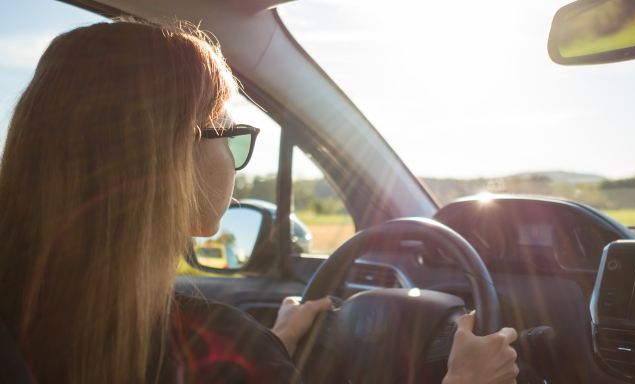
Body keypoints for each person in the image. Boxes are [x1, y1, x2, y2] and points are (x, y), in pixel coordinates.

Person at [0, 20, 518, 384]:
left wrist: (271, 345)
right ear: (172, 157)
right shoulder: (211, 344)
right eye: (228, 131)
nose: (234, 157)